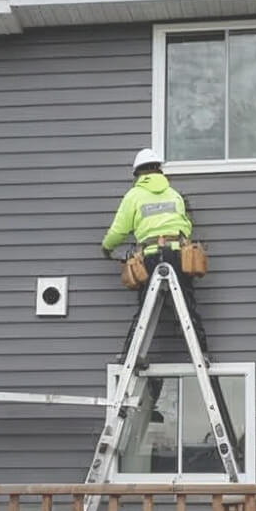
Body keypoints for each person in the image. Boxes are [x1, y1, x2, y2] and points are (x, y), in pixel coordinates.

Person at [100, 148, 208, 363]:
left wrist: (106, 247)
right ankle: (201, 353)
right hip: (178, 254)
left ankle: (131, 356)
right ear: (159, 169)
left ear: (137, 173)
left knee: (145, 309)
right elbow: (185, 226)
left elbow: (118, 231)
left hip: (150, 256)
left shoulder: (134, 196)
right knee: (187, 304)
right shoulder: (174, 194)